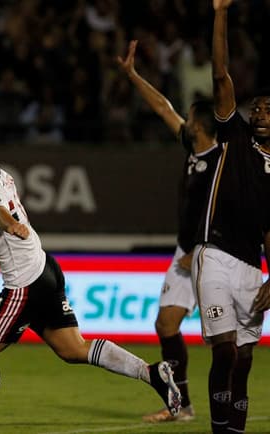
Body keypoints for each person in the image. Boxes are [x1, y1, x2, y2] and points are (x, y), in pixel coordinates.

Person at [0, 121, 181, 434]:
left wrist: (10, 224)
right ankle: (152, 373)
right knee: (72, 349)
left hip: (24, 285)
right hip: (44, 269)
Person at [117, 39, 220, 423]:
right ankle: (183, 405)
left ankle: (228, 407)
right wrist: (133, 76)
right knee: (165, 324)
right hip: (185, 253)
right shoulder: (194, 151)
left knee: (229, 338)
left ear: (201, 126)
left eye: (190, 119)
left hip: (216, 255)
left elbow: (232, 210)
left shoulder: (222, 163)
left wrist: (208, 245)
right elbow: (163, 107)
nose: (184, 122)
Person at [193, 1, 270, 433]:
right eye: (255, 107)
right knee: (223, 352)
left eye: (266, 109)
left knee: (243, 361)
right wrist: (220, 12)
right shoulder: (235, 136)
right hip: (216, 253)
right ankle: (219, 429)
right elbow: (221, 75)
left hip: (251, 268)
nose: (257, 112)